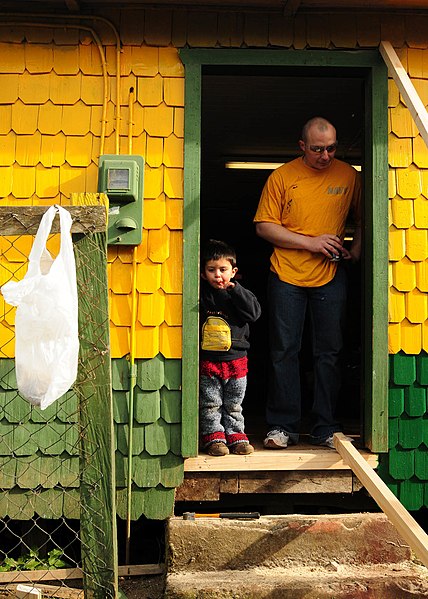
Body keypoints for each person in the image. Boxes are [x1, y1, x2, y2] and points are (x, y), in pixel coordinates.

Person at [253, 116, 361, 450]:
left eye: (331, 149)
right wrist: (311, 242)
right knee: (285, 351)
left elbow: (364, 220)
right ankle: (282, 426)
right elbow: (264, 226)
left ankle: (324, 426)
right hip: (286, 275)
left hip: (330, 276)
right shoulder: (282, 177)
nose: (325, 156)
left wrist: (355, 251)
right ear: (302, 146)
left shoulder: (349, 175)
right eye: (317, 149)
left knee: (329, 352)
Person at [199, 239, 261, 456]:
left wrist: (236, 291)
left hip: (236, 360)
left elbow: (254, 314)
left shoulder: (239, 293)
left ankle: (236, 435)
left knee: (234, 403)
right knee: (211, 403)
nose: (218, 275)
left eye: (223, 270)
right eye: (211, 270)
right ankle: (214, 437)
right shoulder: (203, 295)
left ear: (233, 271)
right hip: (209, 361)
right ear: (202, 274)